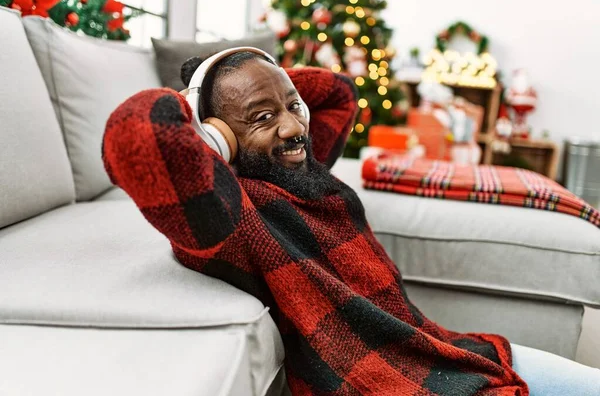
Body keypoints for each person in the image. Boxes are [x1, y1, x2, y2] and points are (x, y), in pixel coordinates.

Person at [102, 49, 600, 395]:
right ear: (217, 139)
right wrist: (201, 120)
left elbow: (338, 93)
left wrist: (267, 82)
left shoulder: (300, 165)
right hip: (379, 383)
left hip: (437, 349)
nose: (295, 127)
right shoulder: (228, 214)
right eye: (261, 117)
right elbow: (138, 137)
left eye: (292, 106)